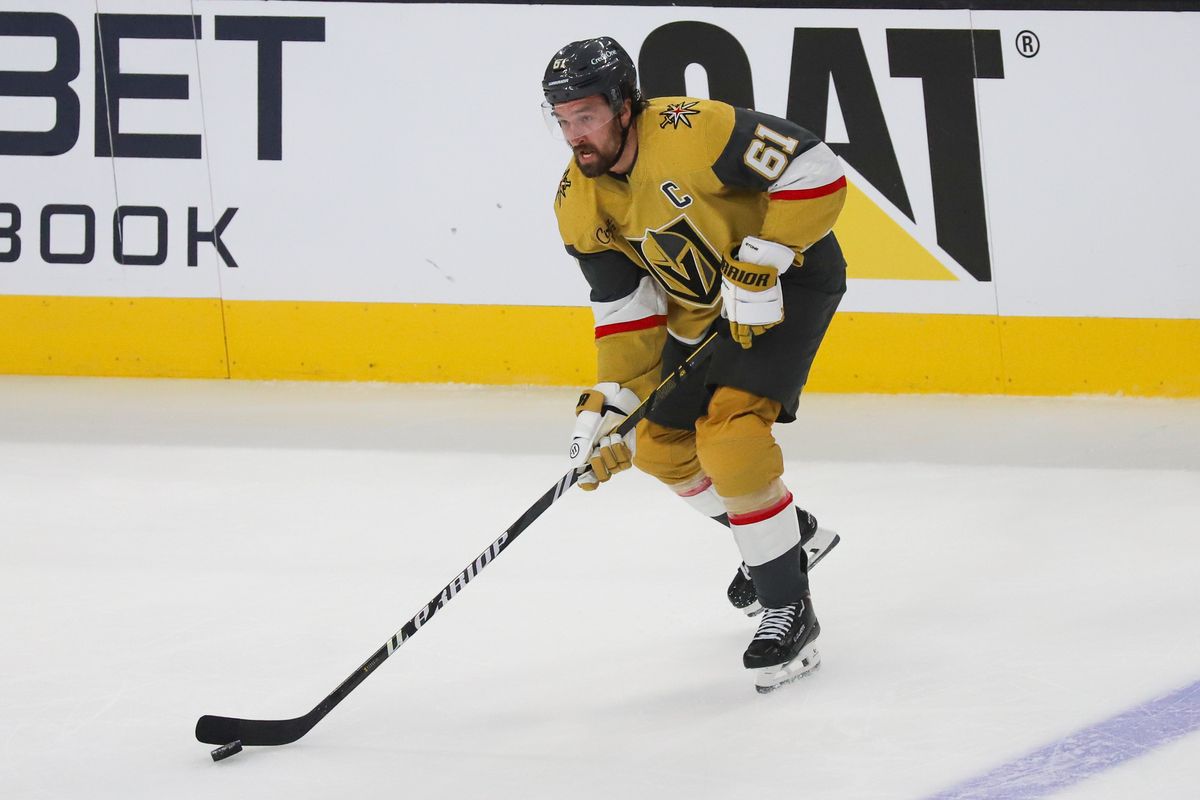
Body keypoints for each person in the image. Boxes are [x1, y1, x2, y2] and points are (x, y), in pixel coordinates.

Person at [543, 37, 846, 693]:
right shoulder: (578, 200)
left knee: (731, 438)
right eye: (562, 120)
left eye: (586, 116)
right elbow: (628, 308)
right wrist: (614, 402)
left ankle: (788, 607)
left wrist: (767, 255)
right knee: (659, 447)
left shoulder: (696, 129)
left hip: (786, 283)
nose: (575, 134)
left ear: (626, 105)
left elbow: (814, 168)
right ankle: (789, 540)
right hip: (703, 313)